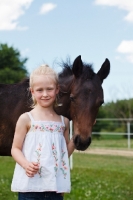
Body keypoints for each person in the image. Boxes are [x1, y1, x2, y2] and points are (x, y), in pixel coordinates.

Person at [11, 64, 75, 200]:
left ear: (57, 89)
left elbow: (64, 153)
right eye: (39, 90)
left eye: (49, 89)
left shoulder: (63, 122)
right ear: (32, 91)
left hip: (55, 188)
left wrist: (78, 137)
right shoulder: (26, 119)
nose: (45, 94)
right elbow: (15, 149)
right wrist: (26, 164)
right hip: (30, 188)